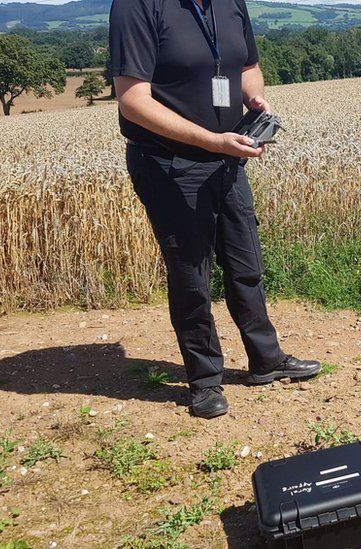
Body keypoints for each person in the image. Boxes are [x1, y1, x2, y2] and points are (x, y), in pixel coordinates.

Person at [108, 0, 320, 419]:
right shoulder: (138, 5)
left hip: (228, 158)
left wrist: (256, 99)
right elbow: (132, 100)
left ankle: (267, 359)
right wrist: (210, 140)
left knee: (246, 263)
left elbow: (246, 67)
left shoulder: (230, 2)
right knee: (191, 275)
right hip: (169, 163)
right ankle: (205, 381)